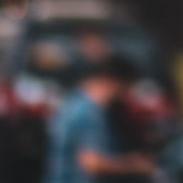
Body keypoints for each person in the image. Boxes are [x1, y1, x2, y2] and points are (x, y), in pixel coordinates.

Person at [43, 54, 156, 183]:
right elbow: (92, 163)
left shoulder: (75, 102)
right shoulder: (88, 112)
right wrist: (135, 165)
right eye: (127, 87)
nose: (128, 95)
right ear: (113, 82)